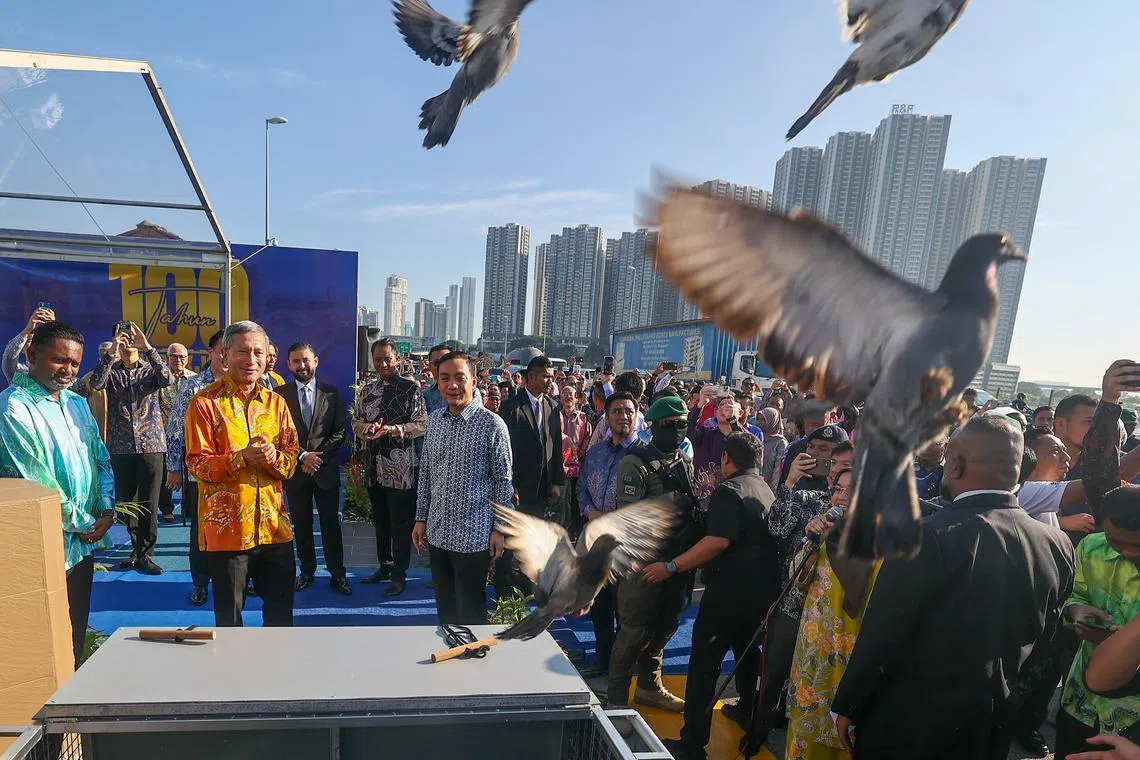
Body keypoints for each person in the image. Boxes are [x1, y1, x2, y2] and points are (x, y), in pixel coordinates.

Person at [830, 416, 1075, 759]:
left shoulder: (926, 535)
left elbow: (885, 632)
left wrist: (848, 703)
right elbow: (1044, 646)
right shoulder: (1058, 544)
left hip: (909, 725)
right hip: (990, 723)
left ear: (955, 465)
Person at [0, 321, 114, 668]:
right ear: (32, 355)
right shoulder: (13, 408)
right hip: (41, 541)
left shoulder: (77, 404)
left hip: (83, 542)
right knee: (39, 646)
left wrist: (107, 510)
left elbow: (100, 458)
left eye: (74, 364)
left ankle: (73, 716)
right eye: (58, 361)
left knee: (74, 632)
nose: (67, 371)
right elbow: (33, 478)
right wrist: (82, 521)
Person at [660, 432, 779, 760]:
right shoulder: (765, 488)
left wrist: (672, 566)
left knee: (703, 669)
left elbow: (717, 541)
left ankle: (692, 743)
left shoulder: (729, 490)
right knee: (747, 659)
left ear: (727, 459)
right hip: (759, 597)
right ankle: (746, 711)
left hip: (726, 595)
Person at [185, 321, 300, 627]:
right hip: (228, 533)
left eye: (258, 352)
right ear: (224, 355)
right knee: (230, 622)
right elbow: (197, 464)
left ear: (267, 357)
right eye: (243, 352)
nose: (251, 360)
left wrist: (274, 458)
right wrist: (242, 458)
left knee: (280, 619)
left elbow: (290, 462)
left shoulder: (276, 403)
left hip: (275, 528)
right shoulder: (205, 404)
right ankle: (232, 676)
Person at [606, 394, 696, 711]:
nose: (677, 431)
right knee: (634, 631)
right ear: (654, 426)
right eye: (669, 425)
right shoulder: (636, 462)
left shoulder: (683, 461)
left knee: (666, 625)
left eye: (682, 425)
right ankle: (615, 698)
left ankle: (648, 686)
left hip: (675, 559)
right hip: (642, 562)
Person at [413, 352, 513, 625]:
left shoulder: (492, 425)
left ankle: (473, 662)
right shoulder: (434, 421)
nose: (452, 385)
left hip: (474, 536)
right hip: (438, 531)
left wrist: (499, 530)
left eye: (460, 378)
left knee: (470, 612)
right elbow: (427, 474)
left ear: (473, 381)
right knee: (445, 610)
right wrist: (420, 518)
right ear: (437, 381)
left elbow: (504, 483)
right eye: (445, 378)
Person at [89, 320, 173, 575]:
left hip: (151, 445)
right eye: (122, 337)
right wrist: (113, 349)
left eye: (130, 338)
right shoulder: (112, 372)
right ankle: (135, 548)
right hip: (122, 447)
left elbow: (167, 378)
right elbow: (96, 382)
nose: (128, 342)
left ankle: (145, 553)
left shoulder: (150, 369)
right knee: (125, 503)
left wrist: (148, 347)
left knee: (149, 501)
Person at [352, 338, 428, 596]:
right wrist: (367, 430)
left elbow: (421, 424)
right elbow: (356, 422)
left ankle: (399, 573)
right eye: (377, 360)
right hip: (374, 465)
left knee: (400, 524)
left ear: (397, 359)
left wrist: (395, 429)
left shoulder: (410, 390)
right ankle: (383, 567)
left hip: (401, 468)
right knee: (381, 521)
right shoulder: (368, 391)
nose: (382, 364)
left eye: (387, 359)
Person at [276, 342, 349, 596]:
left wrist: (319, 458)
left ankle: (338, 575)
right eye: (296, 361)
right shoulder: (279, 395)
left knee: (331, 526)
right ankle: (306, 572)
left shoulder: (331, 393)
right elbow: (278, 435)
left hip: (325, 471)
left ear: (315, 361)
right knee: (302, 525)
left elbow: (339, 431)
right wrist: (303, 456)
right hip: (296, 473)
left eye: (306, 360)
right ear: (288, 365)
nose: (302, 366)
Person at [576, 391, 640, 678]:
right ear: (607, 416)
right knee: (599, 604)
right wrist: (590, 511)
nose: (623, 416)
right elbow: (581, 489)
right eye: (617, 411)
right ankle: (602, 659)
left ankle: (620, 667)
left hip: (626, 544)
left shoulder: (642, 454)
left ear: (636, 416)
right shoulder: (596, 453)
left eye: (628, 411)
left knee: (623, 607)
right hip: (596, 540)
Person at [165, 330, 226, 606]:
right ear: (211, 352)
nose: (226, 355)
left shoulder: (249, 383)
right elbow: (175, 428)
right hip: (198, 472)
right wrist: (174, 468)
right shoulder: (192, 386)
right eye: (221, 349)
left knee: (236, 526)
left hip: (238, 472)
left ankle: (243, 580)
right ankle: (201, 582)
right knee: (201, 530)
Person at [497, 354, 565, 596]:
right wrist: (509, 484)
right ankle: (503, 587)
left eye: (551, 376)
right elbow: (502, 452)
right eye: (545, 376)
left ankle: (526, 585)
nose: (549, 381)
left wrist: (557, 481)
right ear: (530, 377)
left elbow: (555, 445)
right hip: (517, 485)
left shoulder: (553, 406)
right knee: (509, 540)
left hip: (542, 486)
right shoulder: (511, 408)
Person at [156, 343, 196, 522]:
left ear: (187, 359)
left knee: (191, 473)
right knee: (166, 474)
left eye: (182, 357)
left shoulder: (195, 380)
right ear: (167, 358)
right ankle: (166, 508)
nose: (178, 360)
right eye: (174, 356)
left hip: (191, 435)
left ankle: (190, 508)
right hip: (165, 435)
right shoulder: (160, 379)